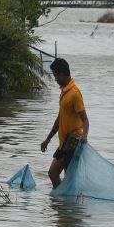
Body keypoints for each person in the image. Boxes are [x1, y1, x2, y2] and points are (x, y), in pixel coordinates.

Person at [40, 57, 90, 188]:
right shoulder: (64, 92)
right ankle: (61, 201)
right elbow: (59, 119)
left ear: (62, 74)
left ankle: (67, 203)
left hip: (73, 141)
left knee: (69, 178)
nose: (55, 79)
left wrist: (84, 138)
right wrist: (47, 139)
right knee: (53, 173)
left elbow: (85, 119)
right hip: (64, 142)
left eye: (55, 75)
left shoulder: (74, 93)